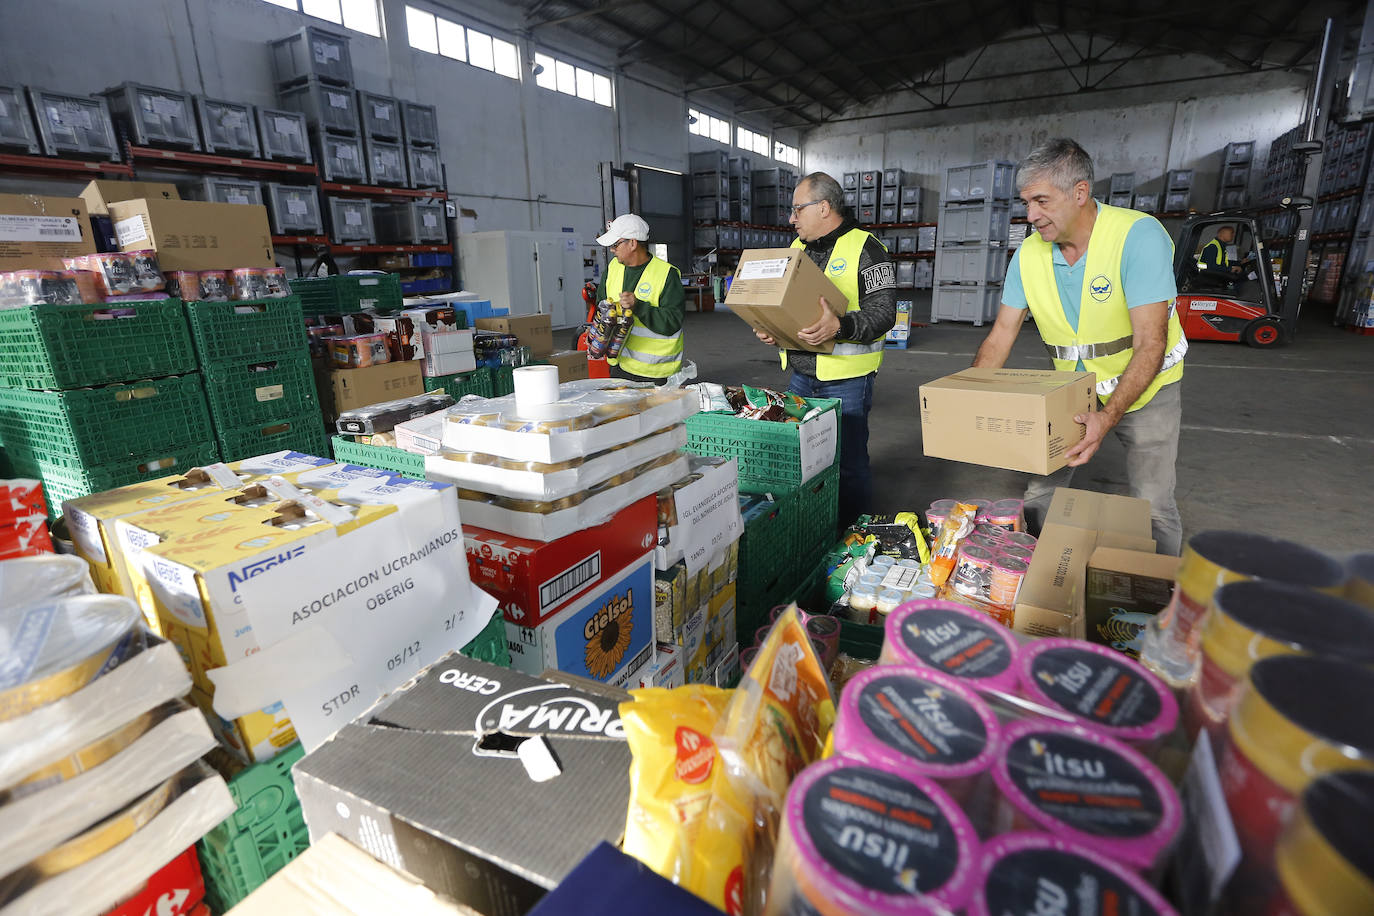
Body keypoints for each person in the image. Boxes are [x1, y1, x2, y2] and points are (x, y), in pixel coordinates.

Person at [972, 138, 1187, 555]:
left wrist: (1106, 418)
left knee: (1154, 505)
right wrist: (967, 399)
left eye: (1041, 201)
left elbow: (1150, 343)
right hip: (1070, 394)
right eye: (1025, 202)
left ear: (1080, 192)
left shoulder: (1136, 238)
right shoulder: (1029, 255)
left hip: (1147, 390)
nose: (1030, 215)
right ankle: (1030, 579)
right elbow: (1000, 335)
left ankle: (1158, 603)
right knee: (1040, 495)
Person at [754, 172, 896, 525]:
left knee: (848, 465)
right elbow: (787, 306)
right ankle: (815, 524)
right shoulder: (795, 249)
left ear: (824, 207)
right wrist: (773, 330)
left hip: (846, 379)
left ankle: (853, 533)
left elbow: (884, 314)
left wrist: (841, 326)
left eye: (797, 209)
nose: (791, 218)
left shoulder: (867, 248)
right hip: (801, 376)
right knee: (804, 458)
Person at [593, 214, 685, 384]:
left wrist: (639, 306)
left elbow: (672, 321)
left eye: (615, 245)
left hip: (656, 371)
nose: (612, 250)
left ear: (633, 243)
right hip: (619, 365)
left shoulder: (666, 274)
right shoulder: (613, 268)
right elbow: (600, 305)